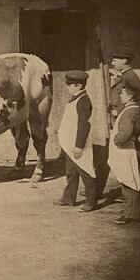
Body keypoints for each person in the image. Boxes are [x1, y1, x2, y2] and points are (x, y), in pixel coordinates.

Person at [54, 71, 98, 212]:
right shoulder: (75, 98)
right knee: (71, 172)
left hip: (79, 144)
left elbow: (84, 124)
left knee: (86, 171)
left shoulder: (83, 100)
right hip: (70, 144)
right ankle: (68, 198)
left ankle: (91, 202)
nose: (67, 87)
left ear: (78, 85)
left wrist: (79, 146)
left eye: (70, 85)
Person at [109, 81, 140, 224]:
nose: (120, 96)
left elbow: (125, 133)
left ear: (130, 96)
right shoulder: (132, 109)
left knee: (129, 182)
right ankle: (131, 212)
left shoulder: (130, 111)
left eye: (123, 93)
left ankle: (130, 214)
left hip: (126, 150)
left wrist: (116, 140)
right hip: (129, 149)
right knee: (129, 180)